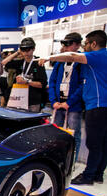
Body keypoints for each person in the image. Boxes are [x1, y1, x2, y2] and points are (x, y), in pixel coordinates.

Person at [39, 30, 107, 185]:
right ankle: (97, 174)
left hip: (96, 105)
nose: (85, 46)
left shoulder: (96, 56)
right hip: (101, 105)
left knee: (94, 143)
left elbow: (73, 56)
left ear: (94, 44)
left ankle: (89, 175)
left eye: (86, 43)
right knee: (102, 142)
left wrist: (49, 57)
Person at [48, 33, 84, 161]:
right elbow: (52, 82)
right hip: (58, 104)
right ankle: (57, 159)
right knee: (56, 134)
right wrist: (53, 101)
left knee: (73, 134)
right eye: (64, 44)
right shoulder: (59, 63)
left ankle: (72, 161)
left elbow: (82, 85)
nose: (66, 47)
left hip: (73, 106)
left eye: (69, 44)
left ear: (77, 45)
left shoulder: (81, 62)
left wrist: (70, 102)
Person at [3, 38, 48, 112]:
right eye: (23, 49)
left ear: (33, 49)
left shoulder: (38, 62)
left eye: (28, 49)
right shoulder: (20, 62)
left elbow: (42, 84)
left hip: (33, 101)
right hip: (18, 100)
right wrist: (17, 52)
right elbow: (4, 63)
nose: (26, 52)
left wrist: (26, 82)